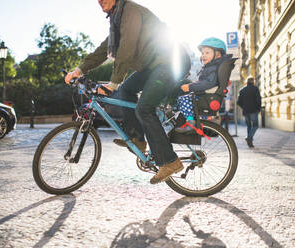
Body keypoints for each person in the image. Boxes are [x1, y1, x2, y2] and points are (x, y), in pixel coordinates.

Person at [64, 0, 191, 184]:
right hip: (154, 65)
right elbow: (104, 50)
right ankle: (137, 138)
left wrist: (113, 82)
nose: (99, 1)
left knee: (144, 108)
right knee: (127, 90)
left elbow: (127, 47)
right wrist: (79, 70)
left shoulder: (129, 11)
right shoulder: (117, 18)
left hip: (170, 61)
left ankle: (170, 161)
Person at [175, 37, 229, 132]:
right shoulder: (211, 67)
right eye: (202, 53)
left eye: (207, 53)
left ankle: (191, 123)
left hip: (206, 97)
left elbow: (208, 83)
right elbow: (203, 82)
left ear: (217, 55)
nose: (203, 55)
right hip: (204, 95)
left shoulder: (213, 68)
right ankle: (187, 121)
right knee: (182, 99)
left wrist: (190, 86)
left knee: (183, 99)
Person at [237, 76, 261, 148]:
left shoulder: (242, 90)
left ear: (246, 82)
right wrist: (258, 109)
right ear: (253, 81)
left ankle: (250, 143)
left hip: (246, 111)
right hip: (254, 110)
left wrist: (243, 107)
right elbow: (258, 100)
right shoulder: (255, 89)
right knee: (255, 125)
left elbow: (238, 102)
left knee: (249, 126)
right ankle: (249, 138)